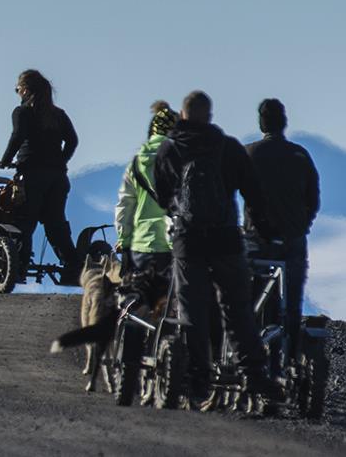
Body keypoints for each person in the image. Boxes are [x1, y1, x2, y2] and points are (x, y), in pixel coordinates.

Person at [145, 91, 281, 403]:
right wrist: (264, 230)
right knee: (237, 308)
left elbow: (162, 194)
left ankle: (198, 378)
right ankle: (253, 373)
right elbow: (253, 193)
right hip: (226, 239)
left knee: (192, 308)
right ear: (210, 116)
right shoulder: (229, 147)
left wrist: (177, 214)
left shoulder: (170, 149)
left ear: (182, 115)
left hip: (188, 239)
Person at [244, 98, 320, 356]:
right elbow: (313, 200)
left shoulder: (249, 153)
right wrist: (300, 227)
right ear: (284, 122)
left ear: (261, 123)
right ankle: (291, 354)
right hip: (292, 241)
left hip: (256, 240)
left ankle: (249, 352)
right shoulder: (300, 155)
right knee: (292, 299)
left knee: (250, 299)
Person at [0, 69, 80, 280]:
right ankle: (73, 267)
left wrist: (6, 159)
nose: (18, 93)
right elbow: (73, 141)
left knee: (25, 222)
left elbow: (18, 136)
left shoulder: (22, 112)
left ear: (24, 89)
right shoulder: (58, 114)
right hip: (58, 178)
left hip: (31, 175)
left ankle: (20, 268)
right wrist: (61, 161)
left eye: (17, 89)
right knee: (56, 223)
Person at [115, 100, 178, 278]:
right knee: (173, 301)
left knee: (143, 298)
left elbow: (124, 205)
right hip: (172, 245)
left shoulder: (135, 163)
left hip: (141, 245)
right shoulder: (180, 160)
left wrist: (124, 240)